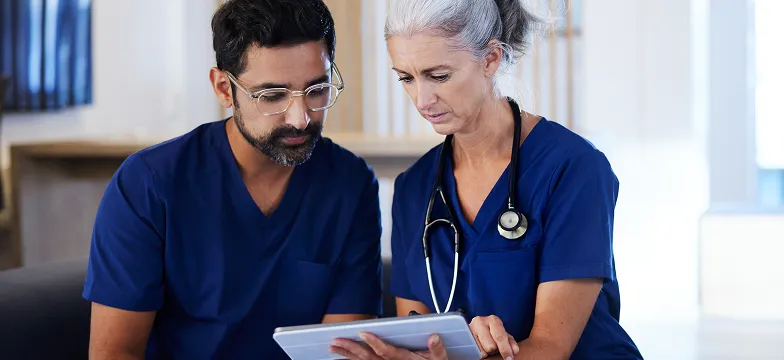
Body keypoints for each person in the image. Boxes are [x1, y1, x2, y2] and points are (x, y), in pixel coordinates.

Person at [331, 0, 643, 359]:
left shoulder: (573, 168)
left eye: (438, 75)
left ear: (490, 59)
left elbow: (551, 348)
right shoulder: (414, 188)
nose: (421, 98)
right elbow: (419, 339)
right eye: (406, 77)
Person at [82, 0, 383, 358]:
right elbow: (115, 354)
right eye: (273, 95)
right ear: (224, 88)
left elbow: (338, 352)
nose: (301, 118)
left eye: (317, 90)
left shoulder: (350, 184)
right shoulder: (148, 185)